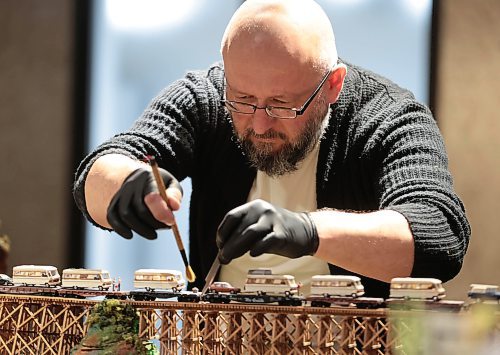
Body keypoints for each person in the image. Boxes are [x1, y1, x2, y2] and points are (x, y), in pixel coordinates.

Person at [73, 0, 470, 297]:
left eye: (283, 105)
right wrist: (127, 183)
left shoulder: (388, 116)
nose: (260, 123)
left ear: (333, 85)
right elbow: (101, 168)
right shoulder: (207, 98)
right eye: (243, 99)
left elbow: (439, 236)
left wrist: (306, 230)